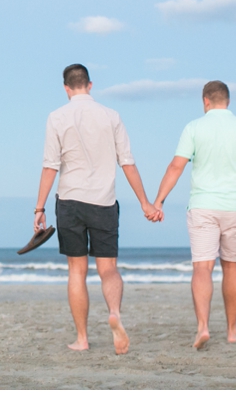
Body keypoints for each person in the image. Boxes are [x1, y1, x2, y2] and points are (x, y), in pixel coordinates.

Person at [34, 64, 159, 355]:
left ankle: (82, 338)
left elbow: (50, 166)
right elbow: (127, 162)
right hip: (103, 202)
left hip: (70, 200)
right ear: (90, 85)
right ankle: (114, 312)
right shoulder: (111, 116)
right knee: (108, 268)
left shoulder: (56, 117)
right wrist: (145, 202)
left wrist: (39, 208)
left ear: (66, 88)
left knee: (77, 271)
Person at [151, 80, 236, 349]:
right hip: (235, 208)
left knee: (202, 267)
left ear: (205, 101)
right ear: (228, 102)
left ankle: (203, 327)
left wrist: (159, 201)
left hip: (203, 207)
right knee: (231, 266)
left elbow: (176, 166)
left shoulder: (194, 127)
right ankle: (232, 332)